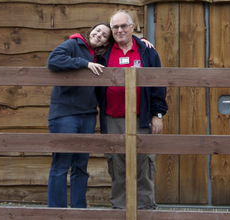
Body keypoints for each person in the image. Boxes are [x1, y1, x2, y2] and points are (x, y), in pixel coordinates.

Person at [47, 22, 154, 208]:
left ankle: (79, 210)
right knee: (61, 164)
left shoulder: (99, 54)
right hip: (65, 114)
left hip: (88, 114)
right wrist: (84, 63)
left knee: (81, 166)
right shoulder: (74, 44)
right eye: (97, 31)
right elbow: (53, 60)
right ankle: (57, 212)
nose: (99, 35)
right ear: (90, 31)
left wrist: (141, 41)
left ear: (106, 42)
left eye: (104, 35)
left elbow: (125, 41)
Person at [97, 10, 168, 209]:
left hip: (142, 117)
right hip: (112, 117)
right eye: (115, 27)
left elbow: (159, 85)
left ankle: (145, 208)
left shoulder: (147, 51)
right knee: (117, 164)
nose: (119, 30)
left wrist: (158, 114)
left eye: (123, 26)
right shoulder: (103, 53)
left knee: (144, 163)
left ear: (132, 27)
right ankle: (120, 208)